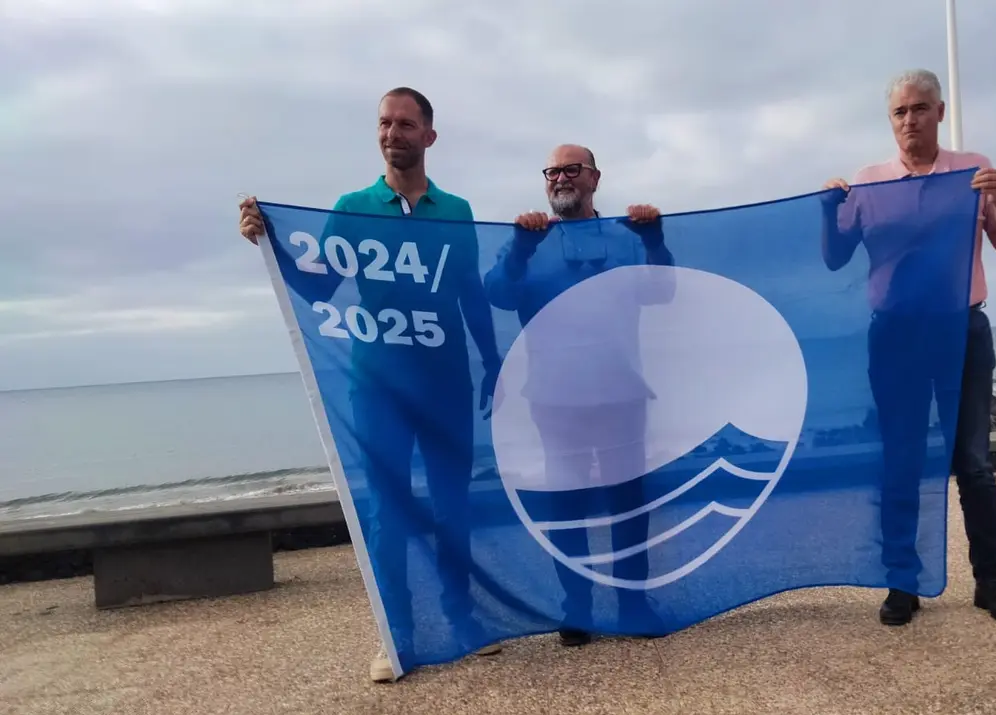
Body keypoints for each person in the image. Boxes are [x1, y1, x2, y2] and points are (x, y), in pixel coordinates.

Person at [237, 87, 504, 682]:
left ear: (428, 136)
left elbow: (470, 295)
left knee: (453, 503)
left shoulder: (456, 211)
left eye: (406, 125)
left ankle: (462, 621)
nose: (393, 134)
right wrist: (270, 242)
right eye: (384, 123)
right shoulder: (352, 207)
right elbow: (321, 288)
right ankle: (397, 634)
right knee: (385, 509)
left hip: (446, 384)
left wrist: (494, 363)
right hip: (377, 385)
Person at [819, 69, 996, 626]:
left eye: (919, 108)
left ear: (940, 111)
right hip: (895, 335)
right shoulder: (869, 182)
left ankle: (991, 581)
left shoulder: (972, 172)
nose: (909, 120)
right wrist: (825, 208)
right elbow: (835, 256)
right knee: (901, 461)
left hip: (961, 331)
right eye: (899, 112)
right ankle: (901, 583)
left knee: (974, 464)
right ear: (891, 121)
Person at [483, 144, 674, 647]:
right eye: (553, 171)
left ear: (595, 178)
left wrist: (655, 241)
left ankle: (633, 602)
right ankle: (578, 607)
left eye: (573, 169)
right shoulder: (528, 241)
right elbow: (498, 294)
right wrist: (520, 249)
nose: (561, 178)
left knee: (627, 503)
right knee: (565, 505)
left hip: (622, 393)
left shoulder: (624, 236)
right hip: (554, 398)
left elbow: (663, 290)